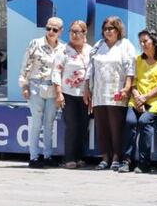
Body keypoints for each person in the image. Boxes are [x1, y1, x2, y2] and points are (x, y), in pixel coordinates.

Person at [85, 16, 137, 171]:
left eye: (111, 28)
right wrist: (87, 88)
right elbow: (90, 67)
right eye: (105, 28)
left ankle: (116, 157)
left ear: (118, 29)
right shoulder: (98, 45)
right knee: (102, 127)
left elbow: (131, 68)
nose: (108, 31)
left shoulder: (125, 45)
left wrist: (127, 87)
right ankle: (105, 157)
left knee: (116, 127)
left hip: (117, 93)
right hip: (99, 92)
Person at [120, 30, 157, 173]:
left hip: (154, 102)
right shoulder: (138, 60)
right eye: (141, 42)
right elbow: (133, 82)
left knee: (144, 122)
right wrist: (138, 98)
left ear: (154, 41)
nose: (143, 44)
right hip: (136, 100)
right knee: (130, 122)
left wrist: (146, 98)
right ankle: (127, 160)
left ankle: (144, 162)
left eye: (146, 41)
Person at [19, 17, 65, 167]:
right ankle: (33, 157)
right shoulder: (36, 43)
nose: (51, 32)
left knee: (49, 122)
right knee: (36, 122)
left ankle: (47, 155)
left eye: (55, 29)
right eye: (48, 28)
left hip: (53, 87)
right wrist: (24, 86)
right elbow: (26, 64)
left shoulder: (63, 48)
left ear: (60, 31)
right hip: (36, 86)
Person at [52, 20, 93, 169]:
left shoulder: (90, 50)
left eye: (78, 32)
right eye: (72, 31)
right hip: (68, 93)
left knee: (83, 126)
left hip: (85, 94)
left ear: (84, 34)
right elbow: (56, 72)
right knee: (72, 125)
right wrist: (58, 93)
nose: (74, 35)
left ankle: (79, 156)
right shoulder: (63, 50)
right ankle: (68, 158)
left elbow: (92, 71)